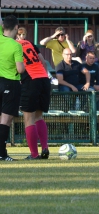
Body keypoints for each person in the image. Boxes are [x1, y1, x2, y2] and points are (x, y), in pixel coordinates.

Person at [17, 31, 51, 160]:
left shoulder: (12, 45)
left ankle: (34, 154)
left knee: (28, 119)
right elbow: (43, 61)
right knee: (38, 116)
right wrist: (45, 77)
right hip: (43, 78)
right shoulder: (30, 43)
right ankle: (44, 147)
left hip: (31, 80)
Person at [0, 14, 24, 161]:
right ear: (16, 28)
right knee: (6, 120)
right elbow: (20, 69)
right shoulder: (16, 45)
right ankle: (2, 153)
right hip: (11, 83)